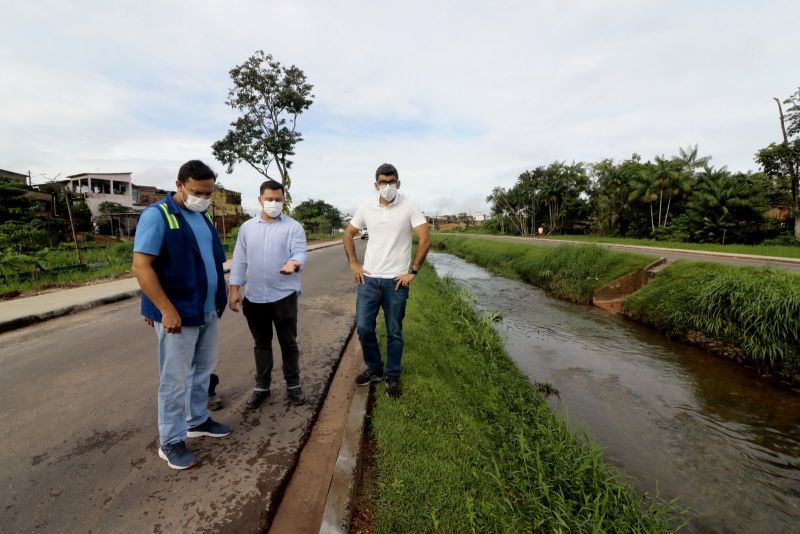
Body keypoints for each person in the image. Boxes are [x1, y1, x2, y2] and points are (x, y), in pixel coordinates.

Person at [132, 160, 231, 470]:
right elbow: (141, 266)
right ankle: (171, 441)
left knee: (202, 370)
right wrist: (164, 308)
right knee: (174, 380)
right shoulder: (158, 216)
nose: (203, 197)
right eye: (197, 192)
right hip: (177, 314)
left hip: (206, 310)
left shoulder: (203, 218)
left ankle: (197, 419)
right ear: (179, 185)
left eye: (208, 192)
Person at [343, 163, 431, 399]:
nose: (388, 186)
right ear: (376, 185)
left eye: (392, 182)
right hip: (369, 280)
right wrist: (353, 263)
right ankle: (375, 369)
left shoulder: (409, 205)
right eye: (383, 182)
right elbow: (348, 234)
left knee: (394, 331)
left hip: (396, 283)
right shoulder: (366, 206)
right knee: (363, 327)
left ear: (398, 183)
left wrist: (413, 271)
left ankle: (392, 374)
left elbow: (425, 239)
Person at [228, 180, 308, 409]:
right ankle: (262, 386)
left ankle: (293, 385)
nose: (273, 203)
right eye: (269, 199)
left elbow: (300, 252)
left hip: (284, 295)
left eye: (278, 199)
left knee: (288, 342)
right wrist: (235, 289)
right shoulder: (247, 228)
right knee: (261, 343)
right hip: (254, 297)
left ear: (284, 200)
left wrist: (293, 263)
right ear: (260, 200)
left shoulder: (293, 227)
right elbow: (240, 259)